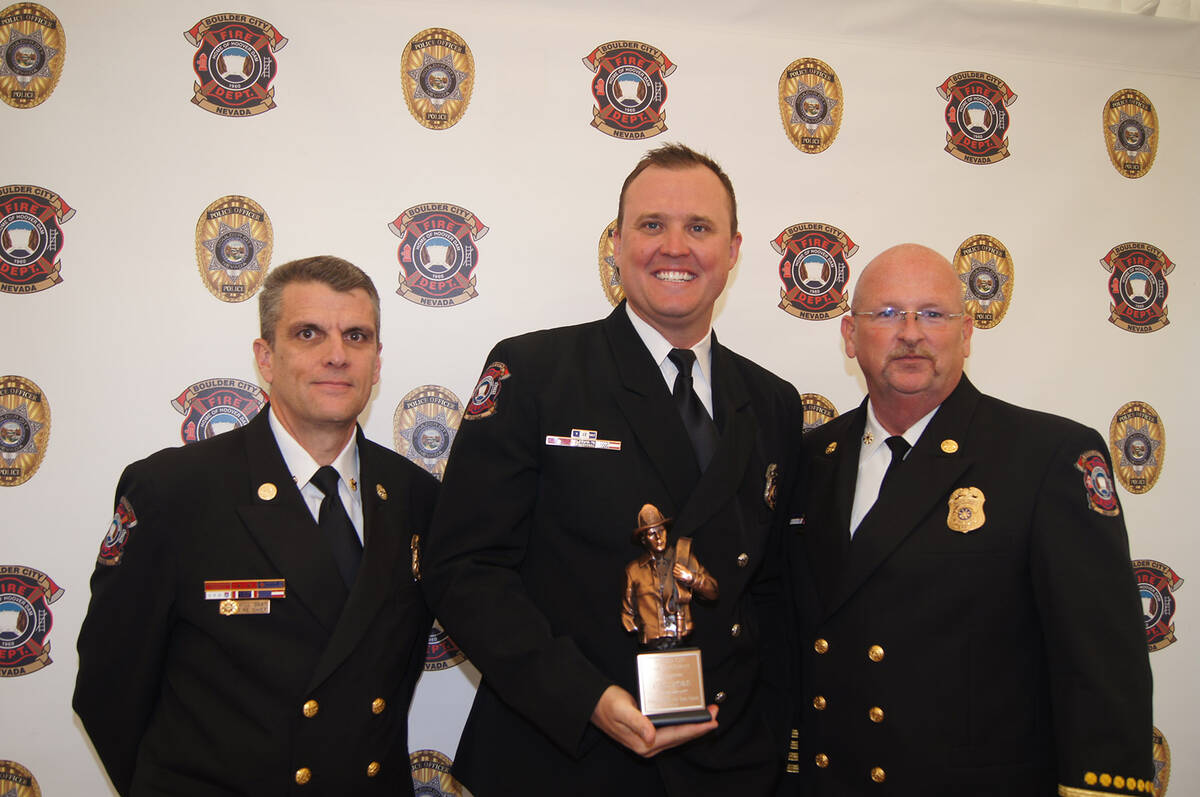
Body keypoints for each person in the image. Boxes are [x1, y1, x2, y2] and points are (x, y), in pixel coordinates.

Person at [422, 143, 802, 796]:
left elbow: (772, 591)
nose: (674, 247)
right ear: (617, 244)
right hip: (562, 757)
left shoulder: (771, 402)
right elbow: (464, 569)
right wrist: (586, 697)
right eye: (651, 225)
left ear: (733, 251)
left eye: (700, 228)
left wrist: (767, 732)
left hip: (727, 764)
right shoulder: (536, 372)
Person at [788, 243, 1153, 796]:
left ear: (967, 332)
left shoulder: (1046, 456)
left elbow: (1101, 663)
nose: (910, 332)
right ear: (849, 335)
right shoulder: (811, 459)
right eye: (886, 314)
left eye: (933, 314)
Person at [73, 256, 439, 796]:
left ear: (377, 362)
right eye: (308, 334)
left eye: (356, 336)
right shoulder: (174, 492)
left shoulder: (415, 496)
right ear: (265, 358)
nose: (336, 355)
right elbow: (110, 686)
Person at [623, 503, 719, 649]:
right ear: (643, 540)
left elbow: (713, 592)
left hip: (682, 634)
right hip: (650, 639)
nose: (658, 537)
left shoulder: (684, 559)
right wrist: (643, 626)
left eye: (661, 530)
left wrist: (692, 578)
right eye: (651, 533)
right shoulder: (633, 570)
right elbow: (627, 614)